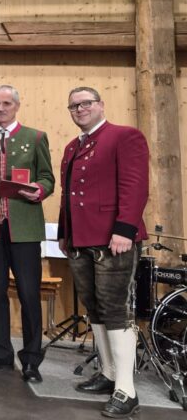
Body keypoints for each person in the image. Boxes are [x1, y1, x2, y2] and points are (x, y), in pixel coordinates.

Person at [58, 86, 149, 419]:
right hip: (80, 239)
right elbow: (68, 195)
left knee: (114, 309)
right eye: (73, 106)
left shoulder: (124, 136)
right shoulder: (73, 146)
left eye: (86, 103)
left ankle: (126, 390)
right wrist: (65, 233)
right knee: (94, 307)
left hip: (114, 238)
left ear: (101, 105)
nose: (79, 109)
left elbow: (135, 185)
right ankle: (109, 373)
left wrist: (124, 229)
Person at [0, 85, 54, 383]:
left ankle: (31, 358)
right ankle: (1, 352)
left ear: (17, 106)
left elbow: (47, 178)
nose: (1, 108)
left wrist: (39, 190)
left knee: (28, 293)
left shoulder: (35, 137)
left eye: (6, 103)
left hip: (24, 229)